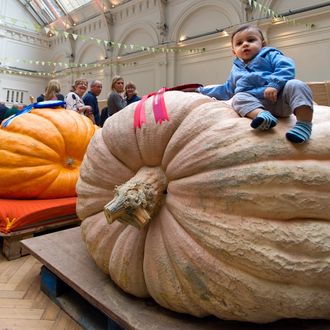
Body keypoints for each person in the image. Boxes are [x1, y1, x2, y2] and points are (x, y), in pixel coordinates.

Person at [197, 24, 313, 144]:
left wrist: (274, 84)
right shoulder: (236, 69)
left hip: (279, 100)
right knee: (238, 97)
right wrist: (201, 91)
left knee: (296, 84)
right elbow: (228, 89)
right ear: (234, 52)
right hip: (256, 105)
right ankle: (263, 117)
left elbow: (286, 67)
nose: (245, 44)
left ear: (263, 44)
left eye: (251, 40)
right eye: (239, 43)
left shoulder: (270, 55)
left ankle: (304, 124)